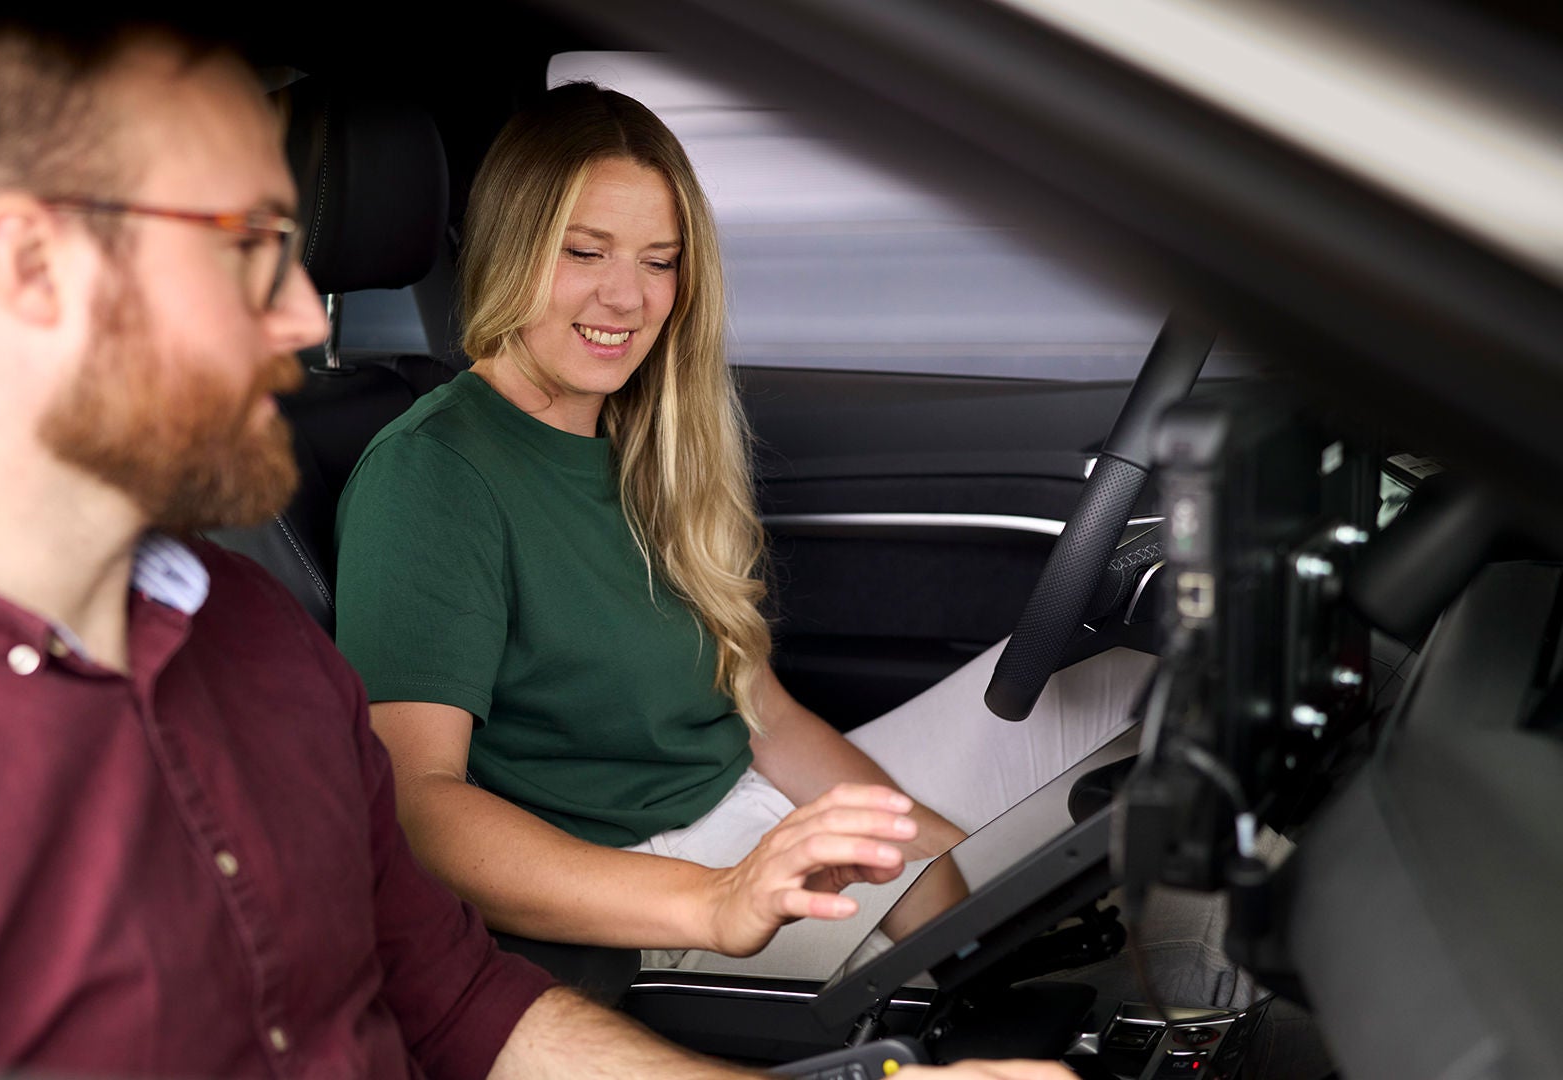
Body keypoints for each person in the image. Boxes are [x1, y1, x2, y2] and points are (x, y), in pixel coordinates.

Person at [0, 19, 1068, 1080]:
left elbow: (465, 1008)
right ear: (25, 266)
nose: (309, 320)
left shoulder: (261, 648)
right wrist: (705, 894)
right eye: (248, 246)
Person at [334, 82, 1156, 973]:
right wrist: (717, 899)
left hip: (758, 812)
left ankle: (1193, 998)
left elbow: (766, 718)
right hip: (650, 888)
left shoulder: (647, 439)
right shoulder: (431, 473)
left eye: (660, 261)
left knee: (1141, 679)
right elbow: (419, 809)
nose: (627, 297)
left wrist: (928, 865)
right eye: (585, 251)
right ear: (507, 245)